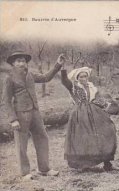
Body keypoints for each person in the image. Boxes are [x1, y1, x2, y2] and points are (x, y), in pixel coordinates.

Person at [1, 51, 63, 180]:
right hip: (20, 115)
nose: (21, 63)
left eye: (23, 60)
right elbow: (6, 101)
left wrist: (58, 64)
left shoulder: (30, 74)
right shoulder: (9, 78)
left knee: (42, 138)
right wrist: (13, 119)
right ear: (13, 63)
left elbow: (46, 77)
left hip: (35, 112)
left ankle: (44, 169)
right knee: (21, 144)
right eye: (18, 61)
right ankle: (25, 173)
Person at [61, 66, 119, 172]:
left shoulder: (92, 87)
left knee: (106, 131)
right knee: (84, 138)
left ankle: (107, 163)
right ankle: (84, 165)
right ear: (77, 78)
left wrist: (108, 106)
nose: (83, 78)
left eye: (85, 76)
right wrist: (63, 69)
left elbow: (98, 99)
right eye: (81, 77)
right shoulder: (74, 87)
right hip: (80, 115)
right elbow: (64, 81)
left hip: (94, 112)